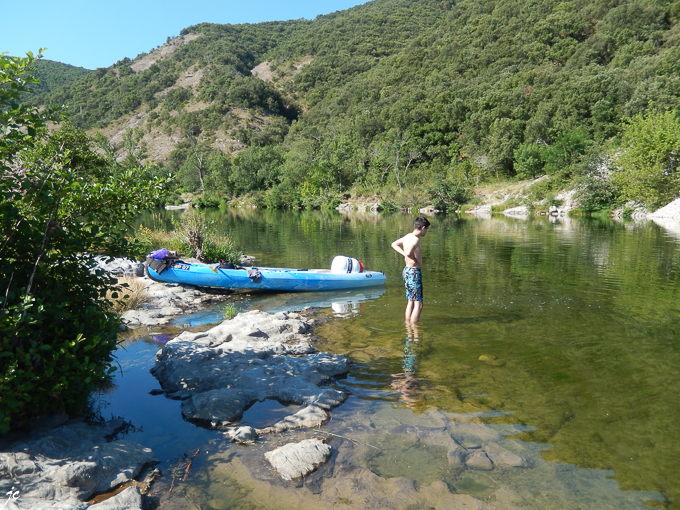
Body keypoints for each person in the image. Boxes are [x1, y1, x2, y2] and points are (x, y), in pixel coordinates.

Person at [391, 216, 430, 322]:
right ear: (423, 228)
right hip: (414, 272)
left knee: (410, 301)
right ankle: (415, 331)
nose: (426, 232)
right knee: (419, 305)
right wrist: (414, 259)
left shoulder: (408, 236)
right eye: (426, 229)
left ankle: (408, 327)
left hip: (407, 271)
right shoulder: (415, 240)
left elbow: (394, 244)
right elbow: (409, 253)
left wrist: (404, 254)